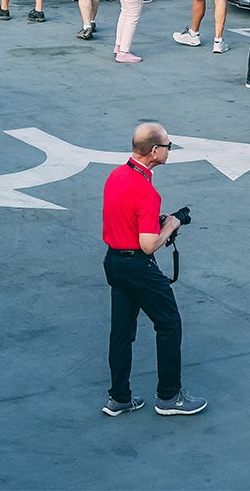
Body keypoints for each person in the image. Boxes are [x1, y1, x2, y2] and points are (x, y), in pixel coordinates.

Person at [99, 121, 204, 417]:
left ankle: (119, 397)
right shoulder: (146, 191)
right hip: (138, 266)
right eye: (168, 145)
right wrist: (171, 223)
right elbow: (148, 245)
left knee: (121, 332)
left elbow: (124, 217)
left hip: (114, 262)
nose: (170, 149)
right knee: (169, 323)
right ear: (155, 150)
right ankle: (169, 396)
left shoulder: (116, 175)